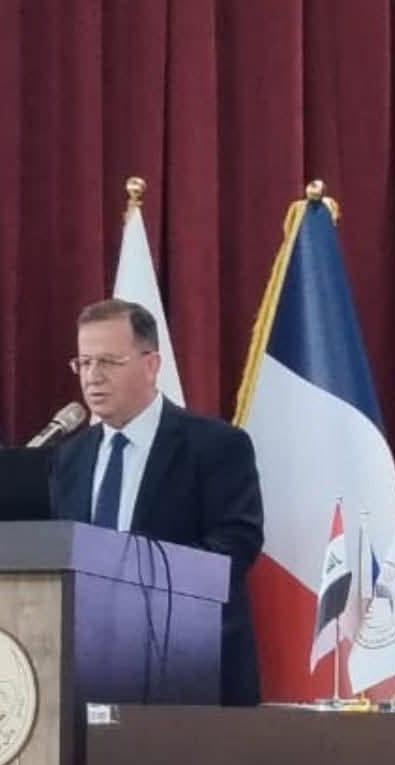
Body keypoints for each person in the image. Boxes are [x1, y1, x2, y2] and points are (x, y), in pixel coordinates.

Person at [51, 298, 264, 705]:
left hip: (189, 664)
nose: (93, 377)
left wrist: (138, 585)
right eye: (84, 363)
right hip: (89, 668)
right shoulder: (69, 458)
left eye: (109, 362)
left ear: (151, 365)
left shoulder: (216, 445)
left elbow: (237, 544)